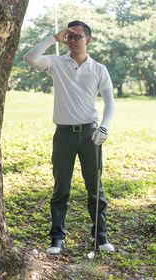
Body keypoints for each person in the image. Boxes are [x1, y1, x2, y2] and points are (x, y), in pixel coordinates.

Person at [24, 20, 115, 255]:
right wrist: (53, 39)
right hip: (63, 135)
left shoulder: (99, 69)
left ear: (88, 40)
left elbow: (109, 102)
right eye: (69, 36)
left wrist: (103, 127)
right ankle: (57, 239)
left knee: (95, 190)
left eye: (77, 36)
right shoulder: (56, 63)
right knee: (60, 189)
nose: (72, 40)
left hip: (90, 134)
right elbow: (30, 58)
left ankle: (101, 238)